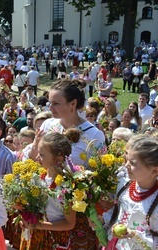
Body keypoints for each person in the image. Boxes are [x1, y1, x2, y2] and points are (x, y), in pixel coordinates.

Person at [29, 79, 105, 250]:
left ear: (73, 104)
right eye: (50, 103)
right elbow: (34, 161)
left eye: (56, 103)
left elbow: (98, 177)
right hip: (44, 208)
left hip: (75, 214)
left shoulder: (94, 135)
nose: (51, 108)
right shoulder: (48, 125)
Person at [21, 132, 78, 249]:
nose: (37, 158)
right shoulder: (39, 177)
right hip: (36, 235)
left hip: (55, 239)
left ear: (58, 159)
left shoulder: (65, 188)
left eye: (42, 155)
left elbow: (69, 223)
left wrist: (38, 225)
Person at [101, 134, 158, 250]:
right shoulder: (125, 183)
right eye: (126, 160)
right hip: (113, 245)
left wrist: (133, 235)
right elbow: (119, 212)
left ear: (155, 170)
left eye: (132, 163)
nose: (126, 165)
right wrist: (103, 220)